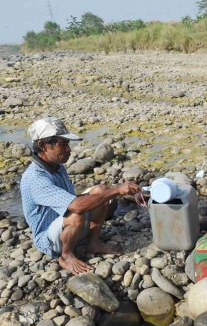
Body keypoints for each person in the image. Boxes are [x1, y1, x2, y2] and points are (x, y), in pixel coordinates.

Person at [21, 117, 141, 275]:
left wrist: (108, 194)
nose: (69, 149)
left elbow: (73, 200)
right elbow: (76, 206)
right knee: (77, 214)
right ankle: (66, 255)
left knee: (100, 191)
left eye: (67, 144)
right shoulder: (36, 179)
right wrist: (117, 190)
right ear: (43, 146)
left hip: (66, 224)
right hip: (49, 239)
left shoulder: (56, 165)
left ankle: (93, 242)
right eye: (63, 144)